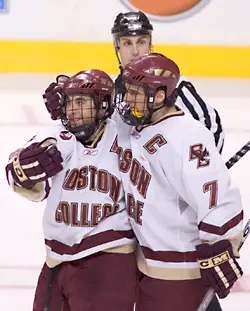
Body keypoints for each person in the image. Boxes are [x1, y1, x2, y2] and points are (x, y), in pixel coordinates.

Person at [112, 53, 244, 311]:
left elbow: (217, 199)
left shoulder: (187, 136)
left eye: (135, 93)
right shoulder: (140, 125)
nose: (128, 99)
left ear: (160, 96)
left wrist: (219, 242)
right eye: (127, 91)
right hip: (149, 265)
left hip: (178, 269)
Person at [5, 70, 137, 311]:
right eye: (69, 102)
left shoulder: (127, 140)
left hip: (108, 260)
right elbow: (21, 174)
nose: (73, 110)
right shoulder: (58, 136)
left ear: (102, 105)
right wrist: (23, 170)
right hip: (57, 262)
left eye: (81, 102)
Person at [111, 11, 225, 153]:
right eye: (127, 43)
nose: (135, 51)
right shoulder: (114, 90)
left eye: (141, 42)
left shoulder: (173, 85)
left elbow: (211, 127)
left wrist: (204, 169)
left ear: (150, 44)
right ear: (117, 47)